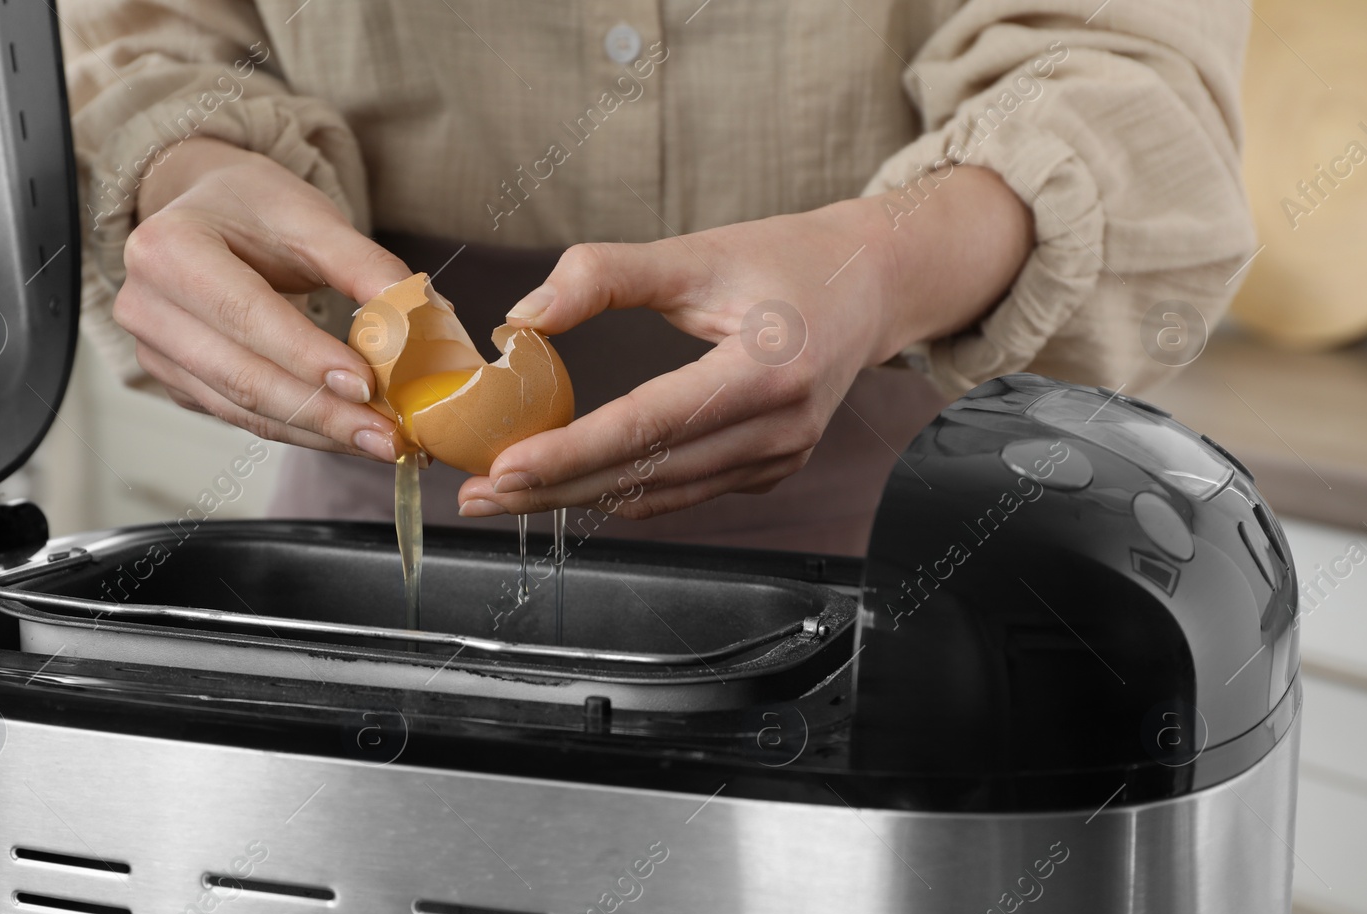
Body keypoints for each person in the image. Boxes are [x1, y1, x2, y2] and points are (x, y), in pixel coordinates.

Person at [62, 1, 1254, 554]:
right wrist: (183, 167)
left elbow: (1120, 69)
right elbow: (142, 35)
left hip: (910, 540)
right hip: (383, 542)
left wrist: (880, 263)